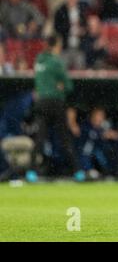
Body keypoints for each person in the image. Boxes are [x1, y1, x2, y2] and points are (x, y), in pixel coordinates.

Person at [27, 35, 84, 183]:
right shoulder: (56, 62)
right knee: (64, 138)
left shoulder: (38, 60)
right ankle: (77, 171)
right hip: (55, 102)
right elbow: (69, 86)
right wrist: (59, 87)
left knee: (39, 139)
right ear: (57, 46)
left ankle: (31, 172)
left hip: (41, 103)